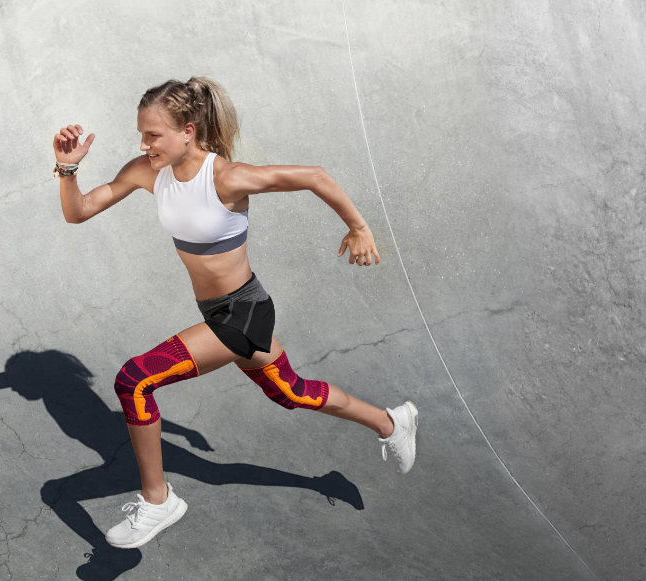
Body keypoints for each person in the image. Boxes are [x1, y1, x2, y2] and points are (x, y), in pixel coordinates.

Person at [50, 77, 419, 550]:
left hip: (242, 311)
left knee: (135, 381)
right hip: (221, 312)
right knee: (293, 392)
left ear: (188, 130)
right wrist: (67, 169)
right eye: (141, 135)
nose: (144, 145)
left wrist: (359, 226)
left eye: (154, 135)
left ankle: (158, 500)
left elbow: (315, 176)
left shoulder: (226, 177)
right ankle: (392, 422)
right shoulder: (148, 171)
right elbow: (78, 211)